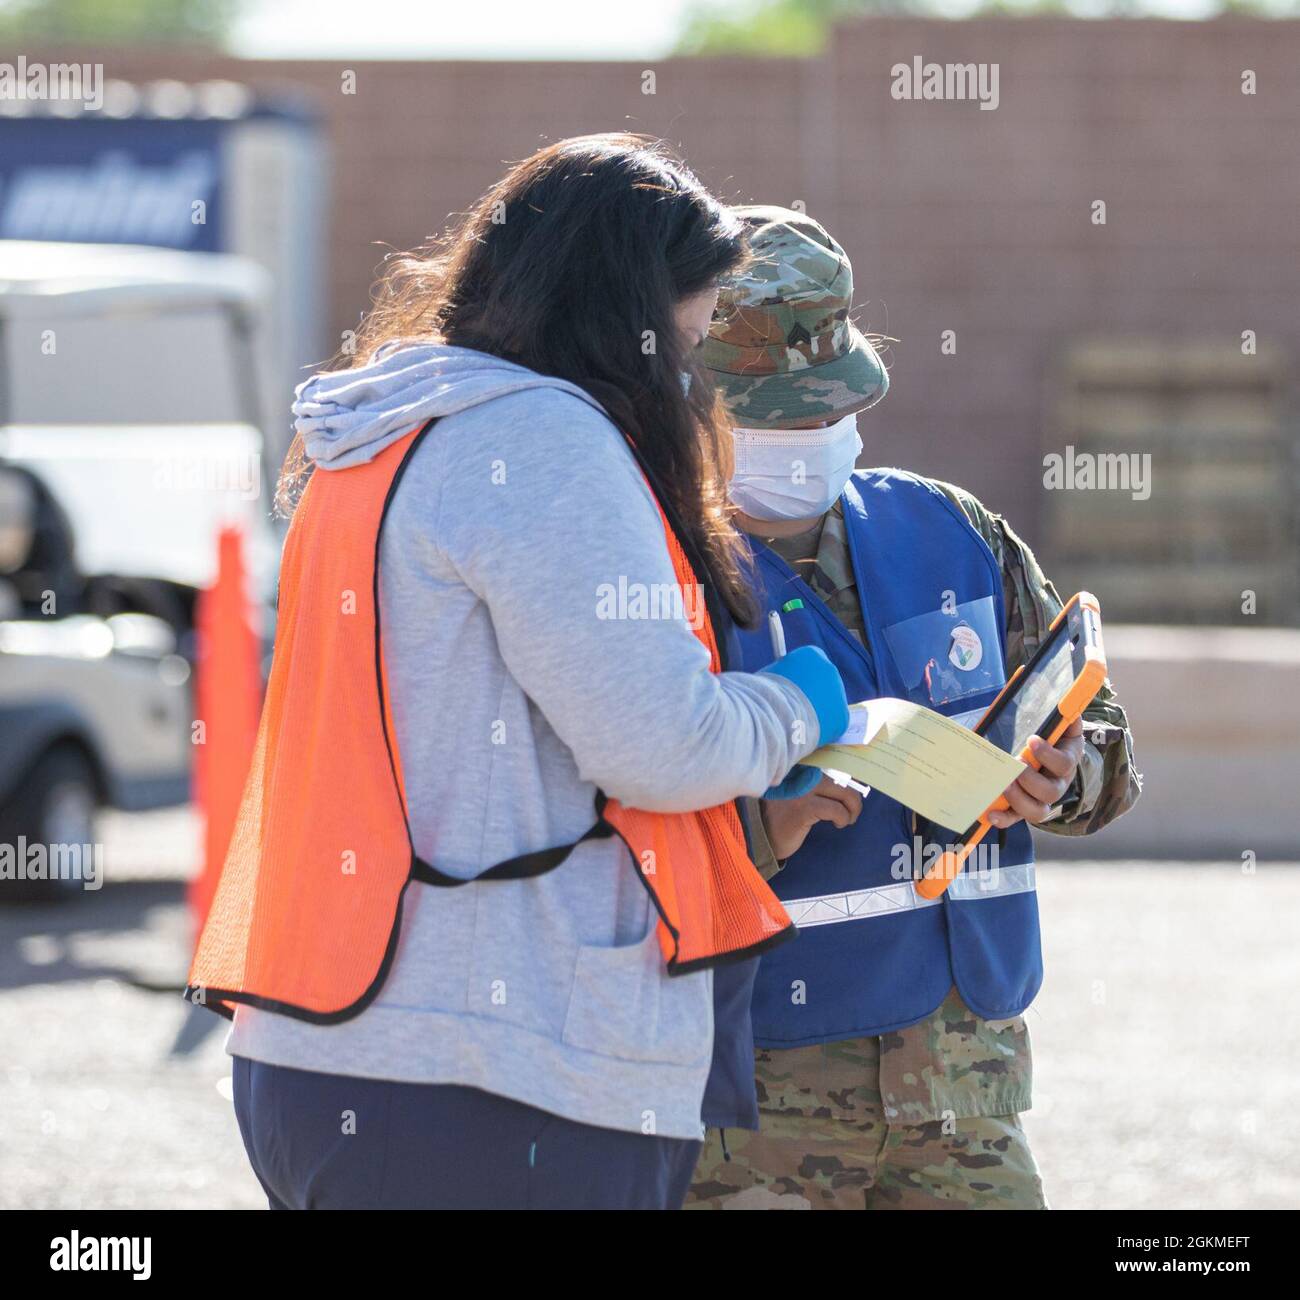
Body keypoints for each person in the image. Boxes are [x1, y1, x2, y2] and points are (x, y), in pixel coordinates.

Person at [187, 142, 850, 1210]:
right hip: (494, 1076)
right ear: (620, 315)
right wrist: (800, 705)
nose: (690, 377)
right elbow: (662, 745)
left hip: (327, 1047)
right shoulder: (537, 437)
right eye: (682, 338)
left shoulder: (376, 437)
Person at [685, 207, 1142, 1210]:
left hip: (964, 1099)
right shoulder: (664, 574)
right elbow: (606, 833)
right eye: (778, 415)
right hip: (759, 1120)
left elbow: (1099, 732)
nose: (809, 436)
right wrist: (764, 827)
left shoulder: (950, 530)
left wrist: (1067, 776)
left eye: (824, 409)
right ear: (697, 405)